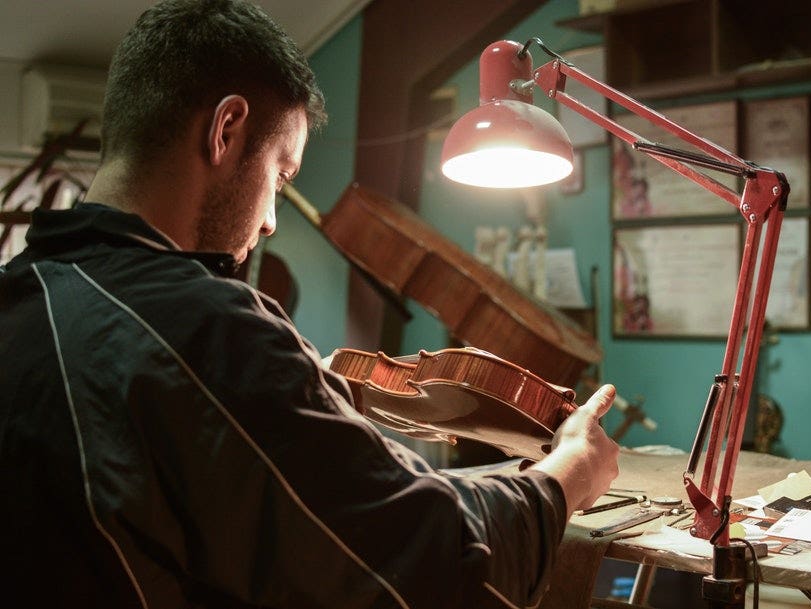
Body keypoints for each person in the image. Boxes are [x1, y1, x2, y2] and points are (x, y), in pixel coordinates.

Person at [0, 1, 620, 607]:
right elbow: (433, 562)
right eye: (280, 175)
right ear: (226, 130)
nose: (270, 221)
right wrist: (569, 473)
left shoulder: (21, 299)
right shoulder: (209, 330)